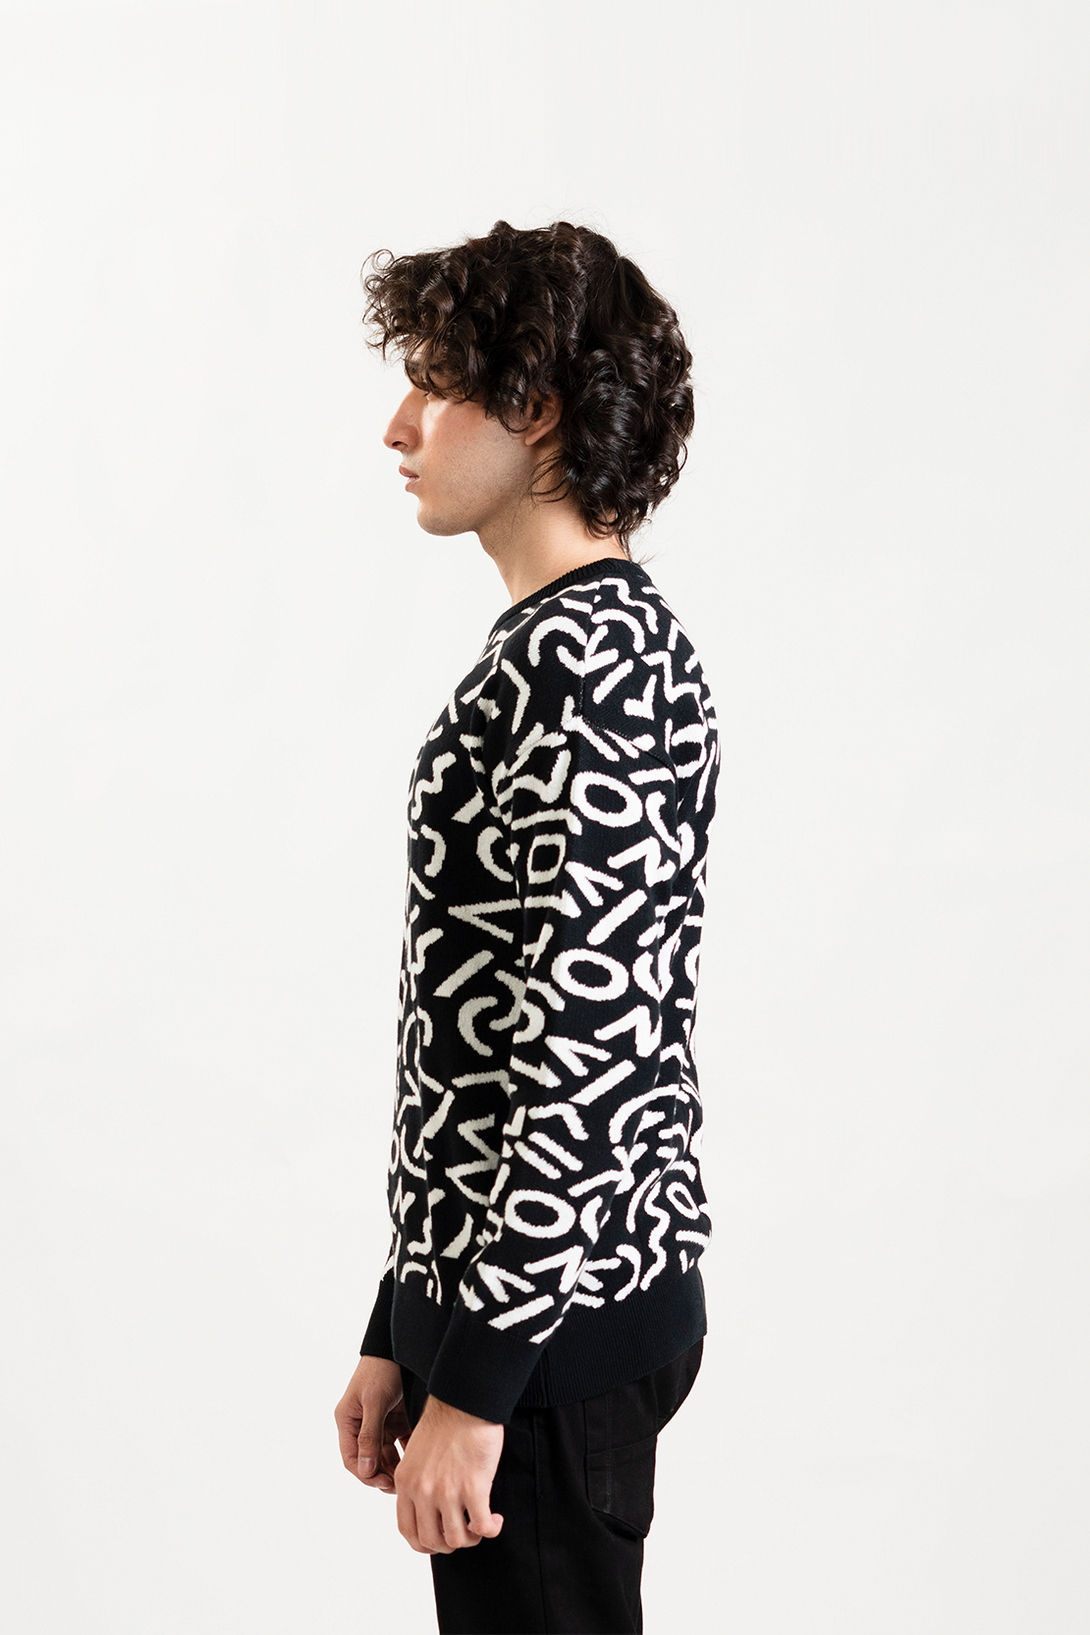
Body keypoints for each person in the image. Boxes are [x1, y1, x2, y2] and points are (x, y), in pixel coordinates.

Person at [334, 219, 720, 1634]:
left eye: (434, 386)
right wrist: (405, 1320)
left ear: (536, 407)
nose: (398, 427)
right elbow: (484, 1038)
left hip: (553, 1334)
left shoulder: (590, 664)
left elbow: (581, 1055)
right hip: (516, 1315)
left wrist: (482, 1381)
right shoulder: (557, 649)